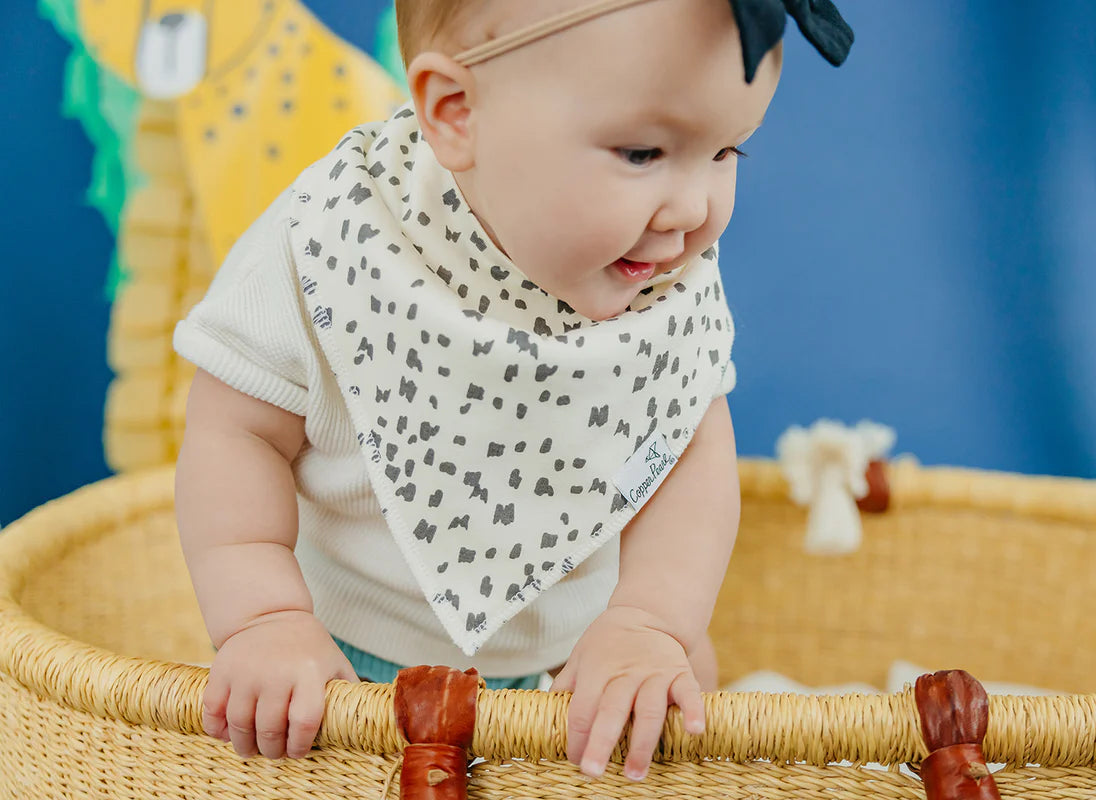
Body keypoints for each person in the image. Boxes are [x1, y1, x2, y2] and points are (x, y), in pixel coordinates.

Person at [173, 0, 852, 782]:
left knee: (682, 679)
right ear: (456, 112)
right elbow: (237, 432)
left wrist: (649, 621)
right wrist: (263, 617)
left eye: (727, 151)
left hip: (582, 667)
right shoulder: (337, 242)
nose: (695, 210)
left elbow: (688, 445)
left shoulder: (661, 285)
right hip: (343, 664)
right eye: (642, 153)